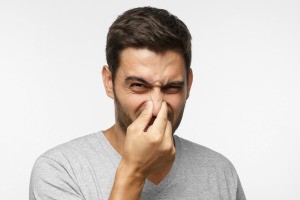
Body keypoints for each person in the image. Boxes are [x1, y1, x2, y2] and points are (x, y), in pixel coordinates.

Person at [29, 6, 246, 200]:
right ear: (109, 82)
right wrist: (134, 171)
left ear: (189, 83)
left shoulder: (220, 172)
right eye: (138, 86)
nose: (157, 105)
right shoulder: (60, 170)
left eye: (172, 87)